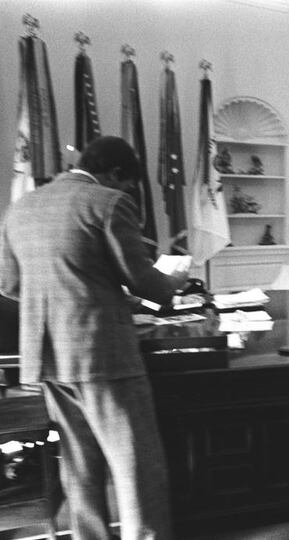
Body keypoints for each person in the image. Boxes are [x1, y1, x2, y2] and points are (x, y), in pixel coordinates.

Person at [0, 136, 188, 539]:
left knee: (79, 466)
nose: (126, 192)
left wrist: (80, 293)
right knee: (135, 466)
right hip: (104, 356)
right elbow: (141, 279)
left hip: (48, 357)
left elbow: (11, 285)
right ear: (115, 173)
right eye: (127, 183)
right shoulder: (108, 202)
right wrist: (173, 281)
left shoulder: (20, 208)